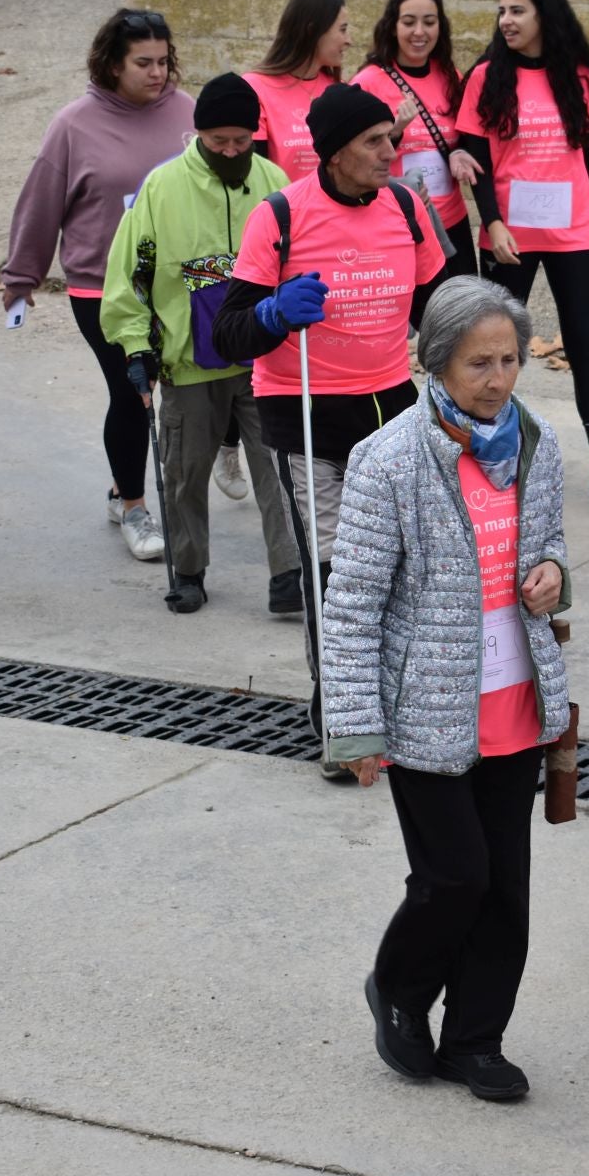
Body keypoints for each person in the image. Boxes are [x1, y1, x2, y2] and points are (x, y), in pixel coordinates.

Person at [324, 275, 569, 1102]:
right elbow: (352, 605)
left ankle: (475, 1040)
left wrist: (552, 574)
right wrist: (356, 729)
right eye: (477, 364)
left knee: (505, 889)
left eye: (509, 360)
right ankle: (398, 988)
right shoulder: (388, 460)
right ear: (435, 363)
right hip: (425, 709)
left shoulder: (535, 442)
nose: (498, 380)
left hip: (515, 699)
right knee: (455, 877)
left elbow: (548, 546)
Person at [212, 83, 445, 770]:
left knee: (400, 566)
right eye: (375, 141)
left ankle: (398, 703)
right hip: (306, 413)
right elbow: (229, 333)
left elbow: (441, 309)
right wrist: (273, 313)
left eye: (391, 138)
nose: (390, 151)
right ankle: (342, 721)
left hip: (391, 411)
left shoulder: (407, 207)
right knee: (338, 574)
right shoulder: (280, 216)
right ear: (336, 151)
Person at [99, 72, 299, 613]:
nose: (231, 151)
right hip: (190, 363)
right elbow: (132, 272)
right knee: (184, 474)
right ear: (199, 134)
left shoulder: (274, 181)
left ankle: (288, 574)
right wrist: (135, 344)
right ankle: (188, 571)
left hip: (263, 358)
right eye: (218, 141)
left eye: (241, 140)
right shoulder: (162, 188)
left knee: (278, 469)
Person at [3, 8, 194, 564]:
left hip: (180, 284)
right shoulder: (73, 125)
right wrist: (22, 276)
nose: (157, 73)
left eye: (163, 61)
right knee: (134, 390)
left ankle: (120, 484)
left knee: (187, 392)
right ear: (113, 64)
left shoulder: (187, 113)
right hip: (103, 287)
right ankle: (133, 506)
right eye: (143, 63)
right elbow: (41, 204)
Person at [455, 0, 589, 508]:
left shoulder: (579, 76)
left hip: (572, 234)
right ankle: (485, 454)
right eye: (502, 11)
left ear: (544, 15)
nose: (506, 20)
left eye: (517, 10)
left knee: (585, 344)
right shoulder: (486, 77)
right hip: (509, 236)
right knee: (491, 349)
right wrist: (492, 222)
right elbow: (477, 157)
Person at [352, 0, 479, 318]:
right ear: (392, 26)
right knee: (412, 318)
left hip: (450, 219)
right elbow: (353, 155)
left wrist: (460, 151)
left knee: (462, 317)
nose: (419, 32)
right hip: (399, 219)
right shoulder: (369, 81)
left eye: (429, 22)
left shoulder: (449, 75)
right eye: (409, 22)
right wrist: (394, 131)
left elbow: (464, 134)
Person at [242, 0, 347, 183]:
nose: (348, 40)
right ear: (312, 31)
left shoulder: (339, 91)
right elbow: (255, 172)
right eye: (342, 30)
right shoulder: (254, 88)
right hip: (279, 201)